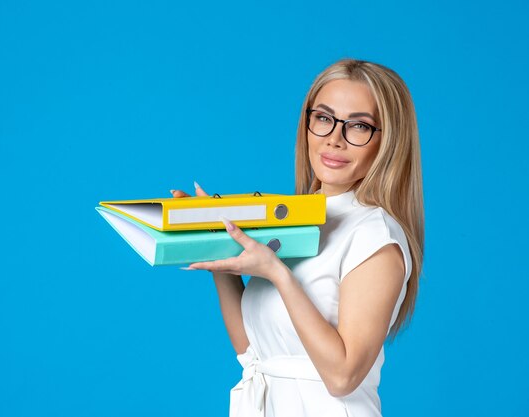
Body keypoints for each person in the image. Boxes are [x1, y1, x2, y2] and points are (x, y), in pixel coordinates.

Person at [171, 59, 424, 417]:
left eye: (359, 126)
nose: (334, 139)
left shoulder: (374, 236)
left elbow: (342, 376)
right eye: (323, 118)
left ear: (388, 142)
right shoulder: (296, 221)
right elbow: (254, 352)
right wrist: (219, 244)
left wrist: (277, 273)